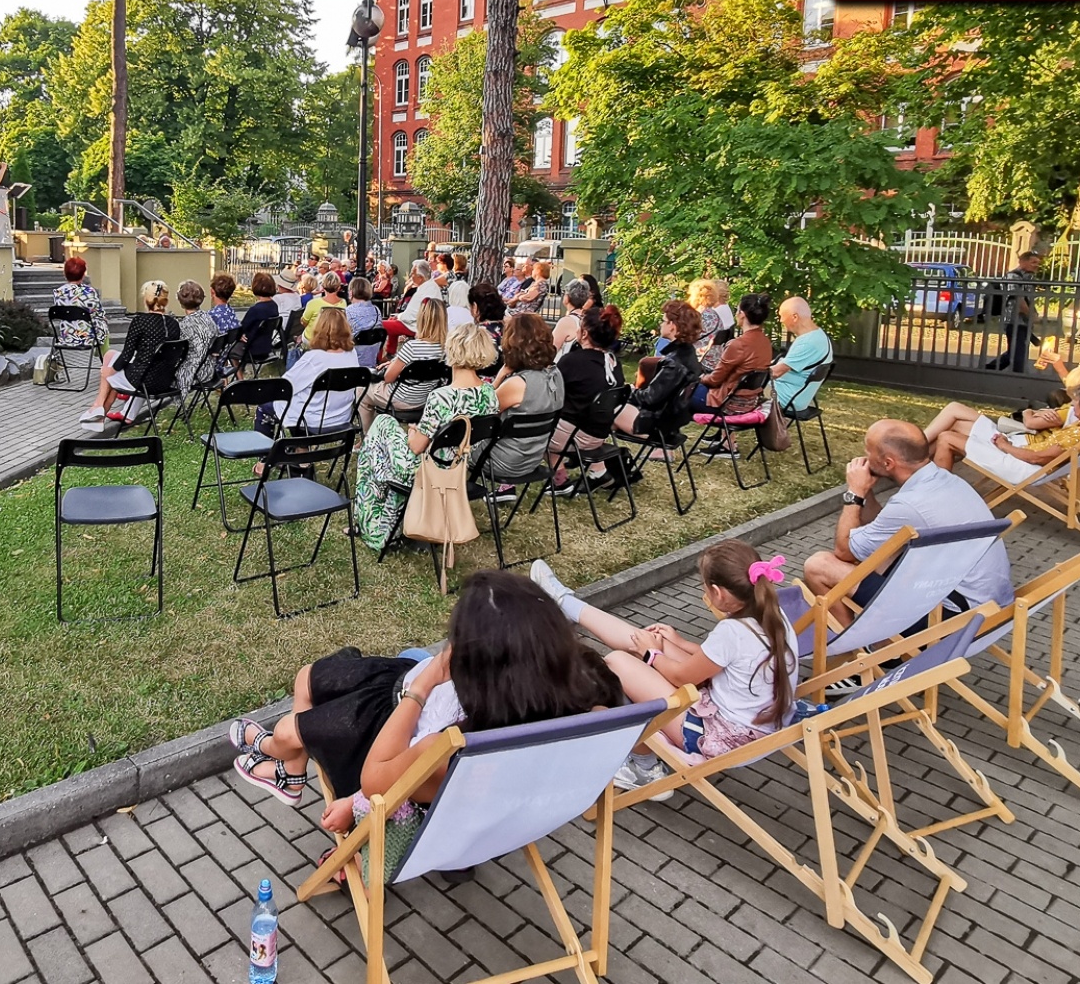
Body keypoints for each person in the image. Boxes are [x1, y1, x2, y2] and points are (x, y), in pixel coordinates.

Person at [225, 571, 622, 822]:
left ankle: (282, 759)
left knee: (301, 701)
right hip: (411, 694)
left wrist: (426, 682)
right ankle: (291, 769)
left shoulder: (447, 747)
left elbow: (376, 781)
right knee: (317, 682)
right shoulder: (572, 716)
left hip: (391, 717)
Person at [530, 543, 798, 791]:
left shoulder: (731, 632)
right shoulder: (772, 615)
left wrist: (651, 654)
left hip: (717, 737)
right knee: (649, 641)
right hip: (757, 727)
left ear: (718, 593)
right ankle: (565, 603)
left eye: (704, 587)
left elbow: (682, 677)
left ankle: (643, 765)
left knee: (619, 662)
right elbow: (725, 660)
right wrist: (676, 643)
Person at [802, 419, 1014, 630]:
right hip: (988, 605)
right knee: (879, 552)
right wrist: (866, 490)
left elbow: (844, 551)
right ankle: (877, 638)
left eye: (868, 451)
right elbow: (881, 529)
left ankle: (854, 644)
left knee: (819, 566)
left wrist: (854, 493)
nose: (864, 457)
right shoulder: (946, 480)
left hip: (954, 619)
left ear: (888, 463)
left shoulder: (909, 504)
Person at [352, 322, 500, 551]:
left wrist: (413, 432)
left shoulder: (442, 397)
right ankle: (383, 517)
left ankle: (373, 525)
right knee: (379, 446)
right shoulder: (489, 394)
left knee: (381, 426)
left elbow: (416, 447)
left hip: (426, 471)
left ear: (452, 350)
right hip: (458, 466)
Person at [925, 382, 1080, 484]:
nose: (1072, 405)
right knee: (956, 424)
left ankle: (936, 489)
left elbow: (1037, 458)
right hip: (1020, 452)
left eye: (1076, 402)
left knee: (946, 437)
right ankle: (917, 462)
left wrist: (1005, 446)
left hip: (1021, 466)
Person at [79, 280, 181, 429]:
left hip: (142, 381)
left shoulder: (140, 321)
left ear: (146, 300)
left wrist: (108, 371)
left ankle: (98, 407)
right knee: (110, 356)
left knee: (108, 370)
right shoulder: (174, 324)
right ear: (166, 300)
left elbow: (126, 356)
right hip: (164, 381)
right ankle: (101, 414)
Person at [549, 306, 626, 496]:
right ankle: (598, 471)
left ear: (584, 334)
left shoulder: (572, 361)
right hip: (598, 435)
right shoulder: (613, 362)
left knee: (537, 427)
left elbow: (550, 390)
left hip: (574, 435)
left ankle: (560, 481)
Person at [481, 313, 564, 485]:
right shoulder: (556, 375)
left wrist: (499, 377)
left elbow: (481, 413)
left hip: (503, 461)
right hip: (533, 458)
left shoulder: (518, 384)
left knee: (449, 440)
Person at [256, 309, 361, 437]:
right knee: (301, 400)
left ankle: (265, 449)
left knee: (265, 406)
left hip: (312, 420)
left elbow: (286, 385)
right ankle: (299, 446)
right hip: (341, 417)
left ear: (319, 329)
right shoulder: (351, 354)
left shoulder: (314, 358)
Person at [359, 297, 450, 434]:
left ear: (421, 319)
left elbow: (388, 378)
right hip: (424, 399)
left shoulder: (412, 347)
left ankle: (367, 437)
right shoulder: (446, 349)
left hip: (399, 398)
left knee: (360, 389)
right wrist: (395, 363)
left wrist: (391, 367)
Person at [620, 299, 701, 448]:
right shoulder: (688, 353)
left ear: (672, 325)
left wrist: (627, 391)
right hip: (670, 422)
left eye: (663, 321)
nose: (660, 324)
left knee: (603, 409)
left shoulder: (675, 362)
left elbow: (650, 398)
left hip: (656, 425)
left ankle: (593, 458)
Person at [694, 292, 774, 414]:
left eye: (737, 310)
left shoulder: (738, 344)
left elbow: (714, 380)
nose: (736, 314)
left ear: (742, 314)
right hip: (750, 401)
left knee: (681, 392)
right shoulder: (765, 342)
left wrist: (700, 378)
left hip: (727, 403)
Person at [769, 297, 834, 412]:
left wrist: (748, 371)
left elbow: (776, 373)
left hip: (789, 397)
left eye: (781, 316)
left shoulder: (808, 342)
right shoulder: (818, 335)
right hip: (797, 393)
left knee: (743, 385)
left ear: (795, 317)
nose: (781, 320)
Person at [986, 250, 1039, 372]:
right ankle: (1017, 377)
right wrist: (1031, 315)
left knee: (1014, 352)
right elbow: (1018, 300)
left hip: (1024, 321)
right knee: (1018, 355)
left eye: (1038, 263)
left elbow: (1029, 299)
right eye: (1033, 262)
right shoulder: (1013, 276)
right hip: (1014, 321)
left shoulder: (1029, 278)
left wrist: (1033, 314)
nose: (1036, 265)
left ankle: (988, 369)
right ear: (1023, 262)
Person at [380, 260, 443, 358]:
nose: (410, 275)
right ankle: (390, 352)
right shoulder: (430, 286)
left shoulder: (424, 291)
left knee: (379, 325)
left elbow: (409, 317)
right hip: (421, 323)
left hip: (417, 326)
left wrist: (398, 316)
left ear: (420, 277)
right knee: (392, 320)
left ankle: (379, 357)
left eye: (413, 273)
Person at [174, 279, 220, 393]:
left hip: (191, 375)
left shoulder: (184, 325)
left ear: (181, 301)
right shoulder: (208, 318)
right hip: (209, 370)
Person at [52, 257, 108, 348]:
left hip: (67, 337)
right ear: (83, 275)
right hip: (89, 338)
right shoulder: (89, 291)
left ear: (65, 273)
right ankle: (104, 356)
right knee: (103, 322)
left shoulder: (58, 292)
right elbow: (99, 313)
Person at [240, 272, 283, 364]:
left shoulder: (255, 310)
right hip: (266, 348)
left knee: (230, 349)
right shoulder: (274, 305)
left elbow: (242, 327)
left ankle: (238, 372)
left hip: (251, 349)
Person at [346, 277, 383, 367]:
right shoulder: (376, 310)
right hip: (372, 360)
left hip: (353, 362)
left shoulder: (348, 311)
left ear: (351, 292)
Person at [684, 278, 725, 357]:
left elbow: (686, 337)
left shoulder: (699, 315)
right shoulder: (715, 315)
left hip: (699, 359)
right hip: (715, 358)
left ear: (698, 297)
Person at [551, 279, 591, 359]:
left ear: (567, 298)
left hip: (564, 364)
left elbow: (552, 350)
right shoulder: (587, 319)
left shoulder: (566, 322)